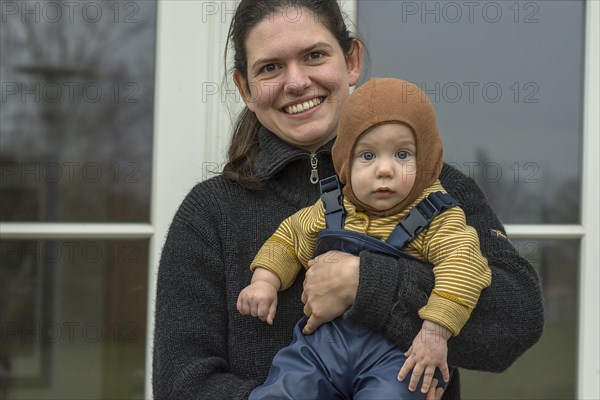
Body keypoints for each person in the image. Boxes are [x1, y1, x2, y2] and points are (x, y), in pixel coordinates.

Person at [152, 1, 545, 399]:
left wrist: (368, 285)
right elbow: (182, 384)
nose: (296, 82)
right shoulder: (209, 213)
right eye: (270, 67)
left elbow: (517, 320)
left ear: (352, 60)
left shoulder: (436, 190)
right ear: (245, 89)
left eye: (314, 56)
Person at [237, 77, 492, 398]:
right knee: (285, 390)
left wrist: (435, 332)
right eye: (368, 156)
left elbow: (464, 267)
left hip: (394, 356)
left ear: (426, 158)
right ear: (345, 161)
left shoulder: (436, 217)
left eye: (402, 154)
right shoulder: (332, 206)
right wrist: (264, 281)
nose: (384, 169)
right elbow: (289, 238)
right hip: (321, 349)